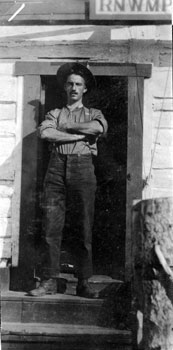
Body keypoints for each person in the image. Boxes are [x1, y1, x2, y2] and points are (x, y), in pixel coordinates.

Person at [29, 63, 108, 298]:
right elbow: (45, 133)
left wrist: (68, 127)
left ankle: (84, 282)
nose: (74, 87)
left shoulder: (94, 113)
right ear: (65, 87)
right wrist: (79, 136)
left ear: (85, 89)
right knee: (50, 227)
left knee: (83, 226)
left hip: (83, 167)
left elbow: (98, 128)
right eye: (70, 83)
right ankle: (50, 281)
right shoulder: (54, 113)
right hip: (55, 169)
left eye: (79, 84)